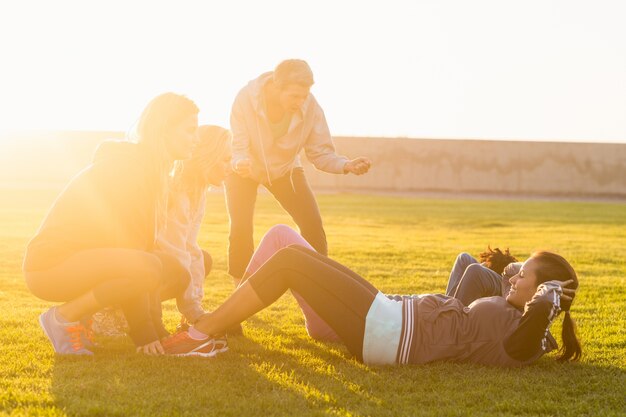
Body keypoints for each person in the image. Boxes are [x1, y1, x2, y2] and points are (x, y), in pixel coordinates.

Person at [163, 246, 582, 367]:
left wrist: (547, 299)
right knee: (293, 253)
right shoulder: (521, 318)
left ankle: (202, 332)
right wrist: (533, 291)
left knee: (291, 262)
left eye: (522, 274)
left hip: (390, 333)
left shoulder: (526, 338)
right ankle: (208, 328)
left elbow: (528, 338)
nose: (511, 275)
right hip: (391, 314)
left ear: (542, 293)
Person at [22, 93, 199, 355]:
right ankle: (61, 317)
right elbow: (135, 259)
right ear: (164, 130)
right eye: (190, 130)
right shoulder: (131, 170)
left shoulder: (151, 170)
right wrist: (145, 334)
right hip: (50, 266)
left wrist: (158, 330)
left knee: (175, 270)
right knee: (149, 266)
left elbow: (140, 255)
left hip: (88, 263)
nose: (196, 139)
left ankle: (88, 315)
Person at [226, 59, 372, 281]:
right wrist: (240, 162)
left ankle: (318, 283)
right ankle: (240, 287)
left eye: (304, 95)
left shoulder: (311, 108)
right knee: (241, 227)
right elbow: (239, 144)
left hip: (286, 169)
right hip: (244, 167)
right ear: (276, 86)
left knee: (312, 223)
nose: (300, 101)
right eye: (294, 96)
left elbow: (319, 152)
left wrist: (346, 165)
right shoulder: (245, 99)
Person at [156, 125, 231, 326]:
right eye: (225, 160)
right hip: (143, 266)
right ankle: (116, 312)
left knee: (202, 259)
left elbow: (190, 247)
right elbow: (176, 252)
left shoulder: (198, 192)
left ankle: (187, 315)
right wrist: (193, 309)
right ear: (208, 157)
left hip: (161, 263)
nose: (229, 167)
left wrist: (194, 308)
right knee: (179, 267)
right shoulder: (178, 193)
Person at [446, 247, 519, 306]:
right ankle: (446, 308)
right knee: (463, 257)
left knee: (475, 269)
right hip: (499, 279)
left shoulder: (481, 274)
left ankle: (450, 314)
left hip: (504, 285)